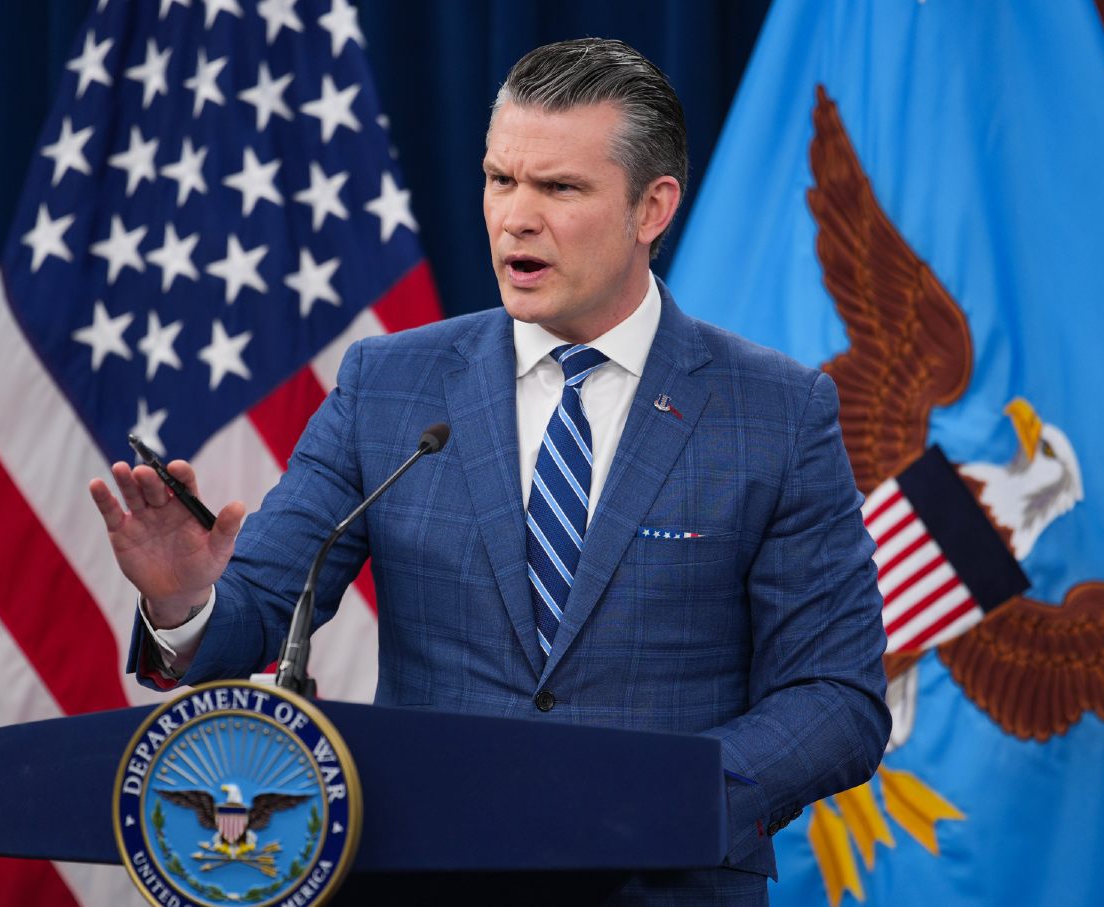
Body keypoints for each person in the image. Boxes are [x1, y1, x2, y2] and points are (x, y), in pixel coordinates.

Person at [90, 37, 889, 904]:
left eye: (560, 188)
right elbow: (259, 609)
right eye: (500, 179)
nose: (516, 218)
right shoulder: (388, 385)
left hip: (662, 882)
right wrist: (186, 600)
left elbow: (836, 697)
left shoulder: (775, 412)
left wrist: (667, 793)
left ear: (652, 208)